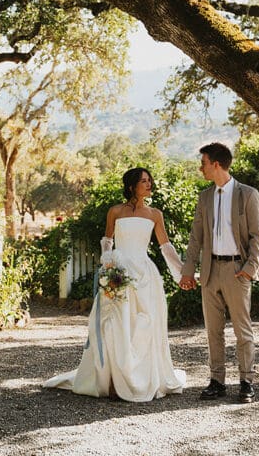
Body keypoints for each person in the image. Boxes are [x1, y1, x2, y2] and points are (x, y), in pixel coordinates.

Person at [43, 167, 186, 401]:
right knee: (115, 325)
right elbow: (107, 241)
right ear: (131, 186)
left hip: (145, 276)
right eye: (144, 181)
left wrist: (182, 274)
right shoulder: (115, 212)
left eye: (150, 181)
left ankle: (141, 378)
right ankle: (111, 380)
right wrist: (108, 265)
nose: (149, 184)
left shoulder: (154, 214)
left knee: (145, 323)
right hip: (119, 273)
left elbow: (166, 248)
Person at [179, 142, 259, 404]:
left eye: (203, 163)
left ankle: (246, 381)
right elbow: (196, 238)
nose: (200, 168)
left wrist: (249, 269)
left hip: (237, 271)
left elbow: (257, 237)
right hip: (210, 271)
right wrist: (188, 272)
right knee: (212, 330)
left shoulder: (247, 194)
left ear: (216, 164)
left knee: (242, 330)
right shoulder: (204, 197)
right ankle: (217, 381)